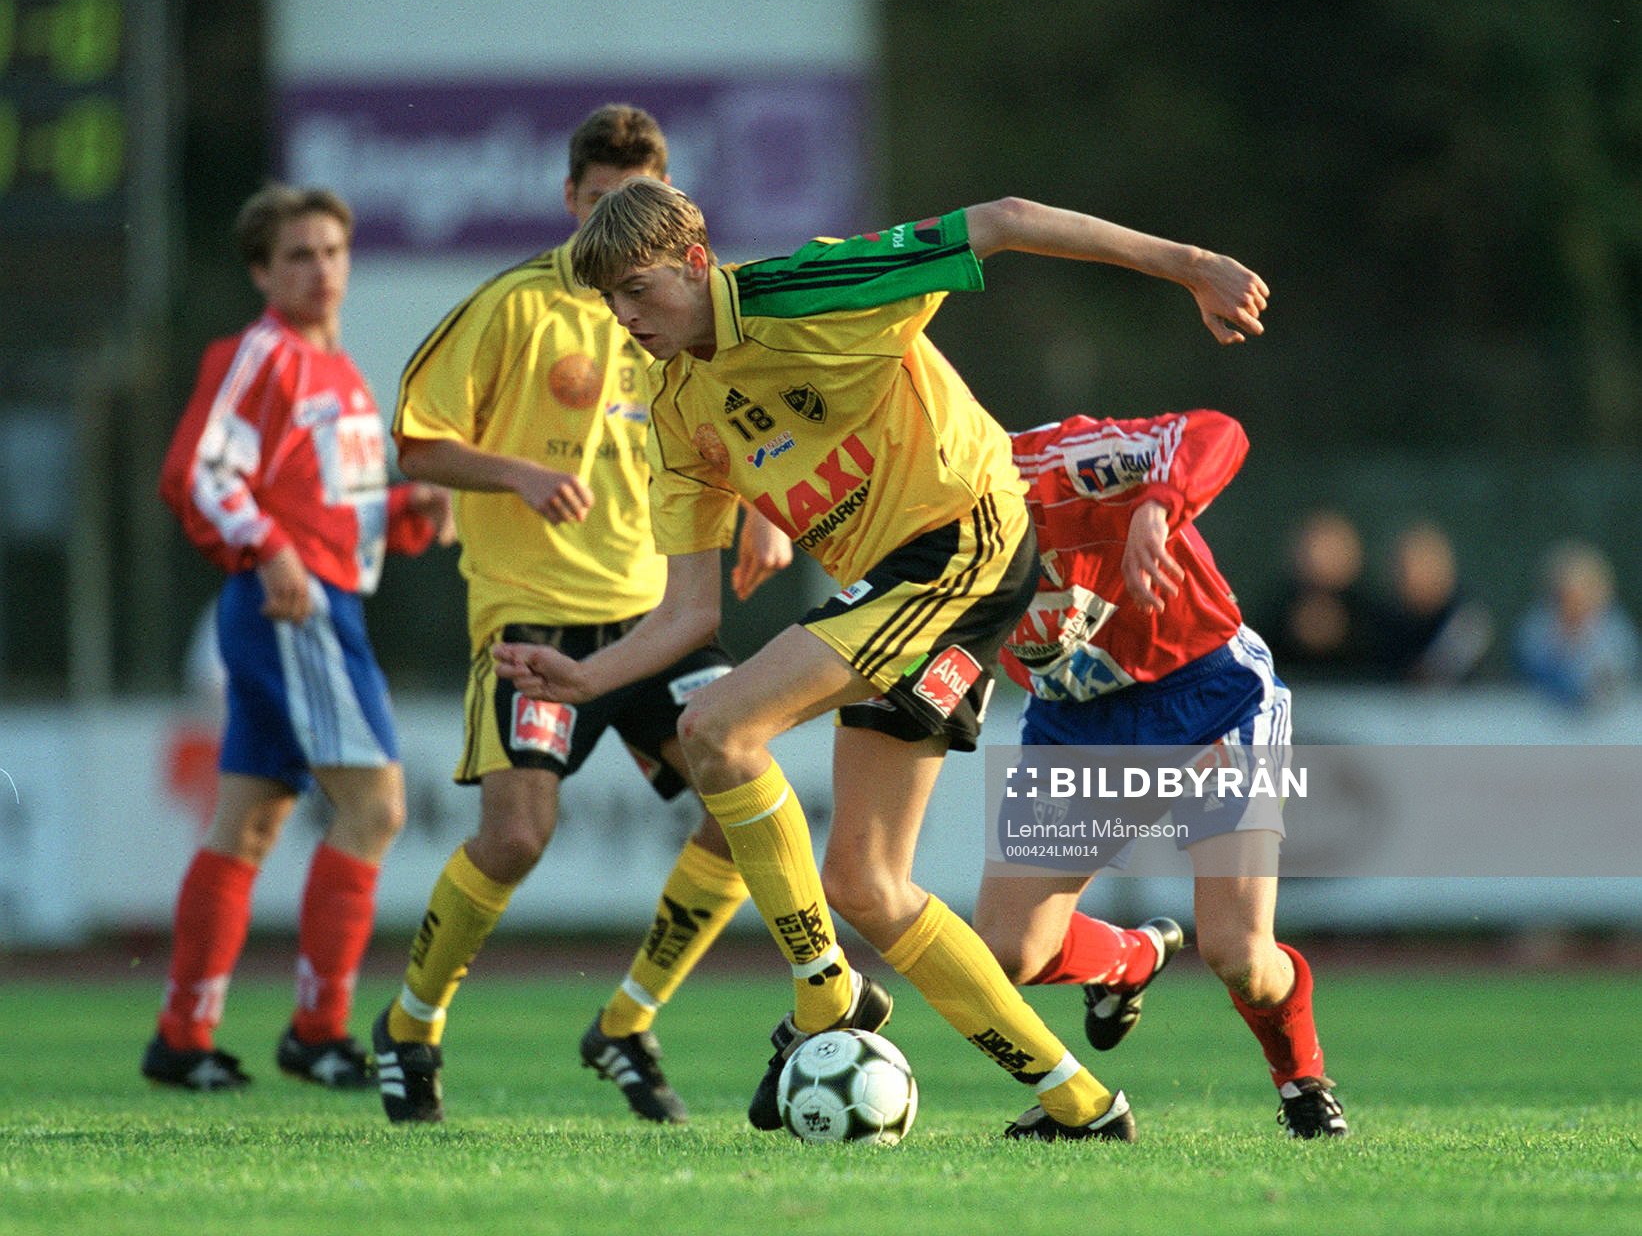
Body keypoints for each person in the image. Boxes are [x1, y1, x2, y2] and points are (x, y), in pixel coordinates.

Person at [493, 178, 1267, 1139]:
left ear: (695, 262)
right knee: (865, 884)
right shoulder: (676, 405)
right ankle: (1083, 1106)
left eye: (638, 290)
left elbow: (1004, 221)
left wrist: (1191, 266)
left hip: (968, 547)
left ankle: (826, 993)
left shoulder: (809, 288)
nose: (626, 316)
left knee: (716, 729)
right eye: (610, 300)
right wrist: (587, 678)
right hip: (899, 592)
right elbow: (690, 610)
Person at [372, 105, 791, 1126]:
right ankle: (410, 1024)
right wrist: (516, 472)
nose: (616, 231)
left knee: (743, 802)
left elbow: (741, 419)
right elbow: (415, 442)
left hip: (656, 617)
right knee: (517, 837)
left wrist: (764, 511)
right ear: (569, 199)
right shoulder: (514, 305)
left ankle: (627, 1021)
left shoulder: (676, 310)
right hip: (534, 618)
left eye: (635, 208)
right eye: (600, 203)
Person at [147, 183, 455, 1091]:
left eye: (332, 251)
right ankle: (318, 1033)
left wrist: (402, 508)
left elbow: (329, 507)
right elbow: (198, 472)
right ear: (261, 271)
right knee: (376, 808)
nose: (321, 270)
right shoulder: (262, 355)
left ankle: (182, 1039)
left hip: (311, 598)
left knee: (247, 823)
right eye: (298, 256)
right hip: (293, 606)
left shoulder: (342, 374)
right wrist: (269, 546)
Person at [971, 408, 1348, 1139]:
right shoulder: (907, 520)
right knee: (1007, 950)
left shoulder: (1054, 464)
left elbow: (1216, 432)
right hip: (1076, 721)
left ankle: (1302, 1078)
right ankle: (1131, 959)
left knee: (1238, 954)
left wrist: (1156, 505)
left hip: (1207, 696)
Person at [1513, 540, 1640, 709]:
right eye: (1567, 593)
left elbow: (1619, 674)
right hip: (1538, 715)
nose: (1575, 601)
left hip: (1607, 719)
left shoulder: (1615, 631)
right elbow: (1529, 670)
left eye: (1583, 591)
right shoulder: (1537, 628)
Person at [1368, 520, 1492, 685]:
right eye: (1408, 567)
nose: (1416, 575)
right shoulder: (1382, 623)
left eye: (1425, 563)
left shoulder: (1467, 621)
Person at [1262, 508, 1378, 678]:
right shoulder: (1275, 616)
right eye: (1317, 548)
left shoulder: (1373, 622)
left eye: (1333, 549)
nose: (1322, 559)